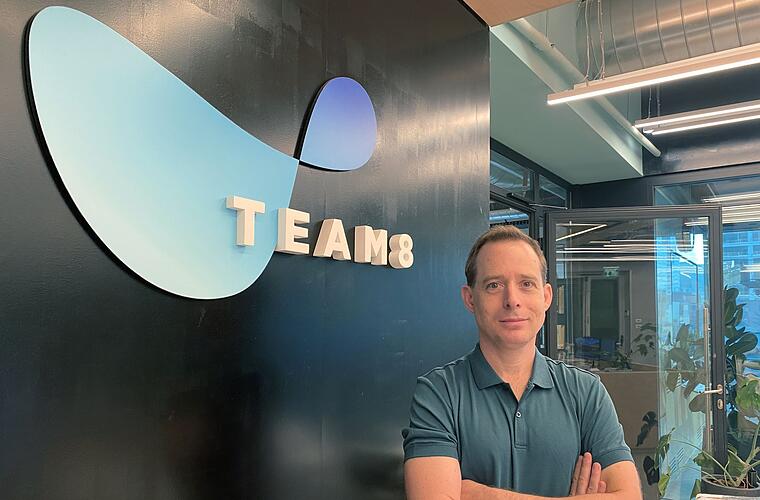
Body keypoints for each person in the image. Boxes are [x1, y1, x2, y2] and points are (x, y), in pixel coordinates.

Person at [402, 225, 642, 499]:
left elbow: (629, 496)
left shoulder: (586, 392)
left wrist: (476, 494)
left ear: (546, 296)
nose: (512, 300)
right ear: (470, 299)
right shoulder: (439, 392)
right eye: (494, 285)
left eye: (526, 284)